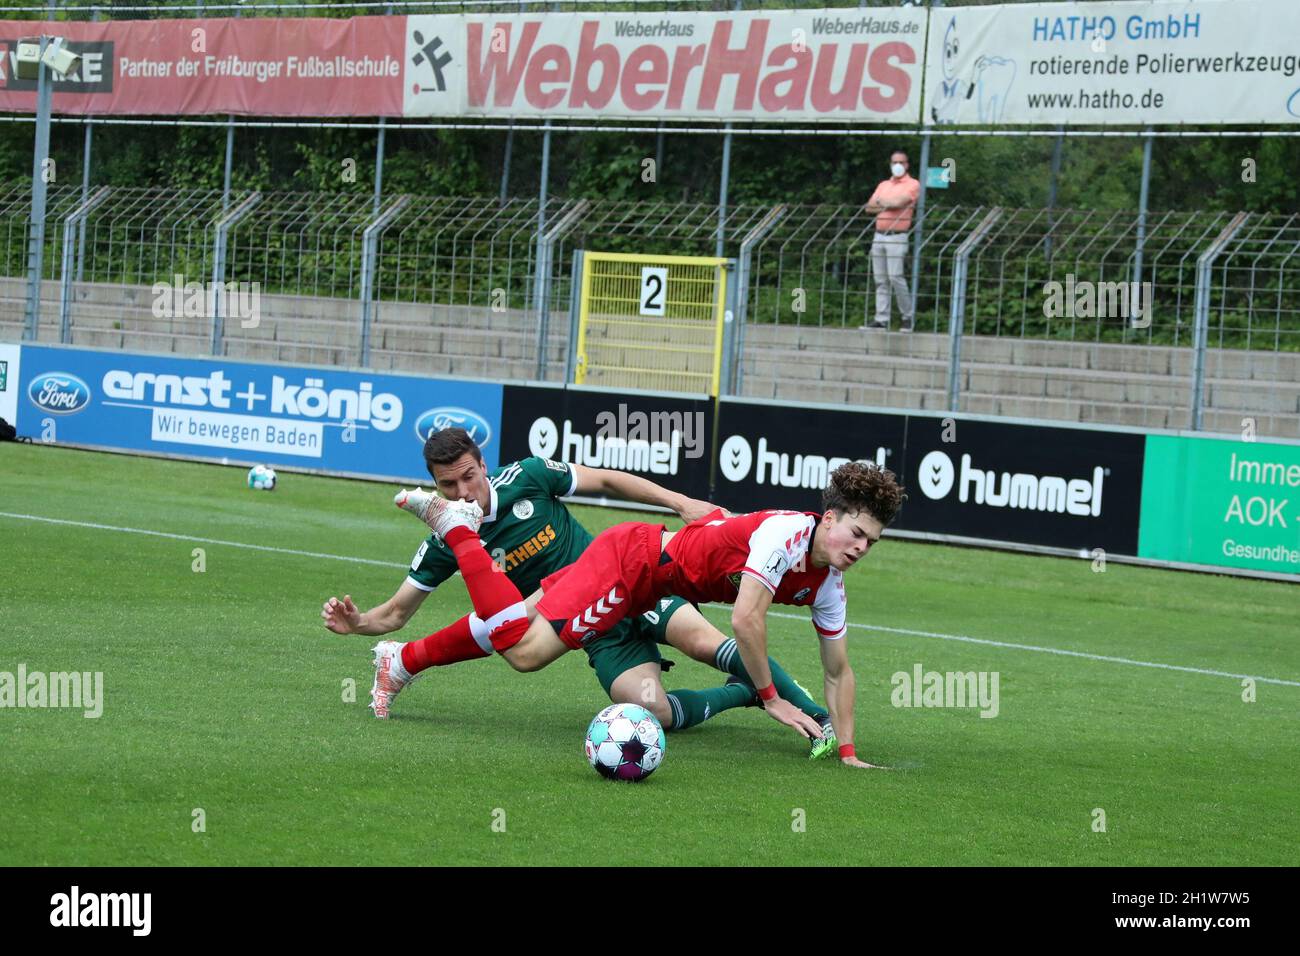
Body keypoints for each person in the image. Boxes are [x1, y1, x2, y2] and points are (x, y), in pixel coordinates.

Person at [323, 427, 839, 757]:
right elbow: (395, 611)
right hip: (592, 628)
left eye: (468, 477)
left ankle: (819, 720)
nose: (463, 493)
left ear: (483, 465)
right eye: (448, 487)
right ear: (434, 488)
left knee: (708, 644)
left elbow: (608, 481)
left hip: (634, 579)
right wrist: (359, 623)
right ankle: (743, 693)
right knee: (652, 712)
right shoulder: (444, 542)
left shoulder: (527, 477)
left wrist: (680, 502)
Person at [395, 460, 906, 769]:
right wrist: (772, 700)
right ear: (830, 517)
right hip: (630, 565)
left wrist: (848, 749)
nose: (862, 547)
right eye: (857, 534)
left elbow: (838, 669)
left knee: (698, 658)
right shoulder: (787, 533)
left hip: (655, 584)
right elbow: (748, 620)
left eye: (872, 542)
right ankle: (458, 529)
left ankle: (402, 658)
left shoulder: (829, 584)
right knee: (523, 654)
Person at [864, 150, 922, 331]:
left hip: (897, 236)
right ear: (890, 164)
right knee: (880, 279)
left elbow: (900, 202)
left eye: (901, 162)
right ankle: (881, 319)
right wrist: (887, 203)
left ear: (907, 165)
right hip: (879, 235)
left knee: (896, 277)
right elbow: (869, 207)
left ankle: (907, 317)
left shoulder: (913, 184)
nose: (898, 165)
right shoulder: (884, 184)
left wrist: (882, 202)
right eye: (895, 162)